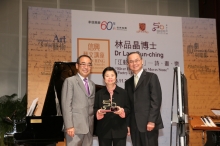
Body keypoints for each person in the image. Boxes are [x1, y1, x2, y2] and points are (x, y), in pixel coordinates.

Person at [125, 51, 164, 146]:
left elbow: (156, 101)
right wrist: (128, 124)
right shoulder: (128, 83)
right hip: (134, 126)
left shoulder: (151, 77)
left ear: (142, 61)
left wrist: (151, 121)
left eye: (136, 60)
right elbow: (128, 105)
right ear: (128, 64)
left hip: (148, 124)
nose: (134, 63)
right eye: (131, 61)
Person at [61, 55, 95, 146]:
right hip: (74, 128)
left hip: (89, 128)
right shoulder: (70, 81)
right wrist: (69, 126)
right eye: (83, 64)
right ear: (77, 66)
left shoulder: (92, 84)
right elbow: (66, 105)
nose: (86, 67)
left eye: (89, 65)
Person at [94, 67, 130, 146]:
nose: (110, 77)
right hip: (103, 129)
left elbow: (129, 109)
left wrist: (122, 111)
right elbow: (94, 108)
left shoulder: (123, 93)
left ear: (116, 77)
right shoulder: (98, 94)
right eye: (107, 76)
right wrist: (98, 112)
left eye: (112, 75)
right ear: (104, 79)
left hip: (120, 129)